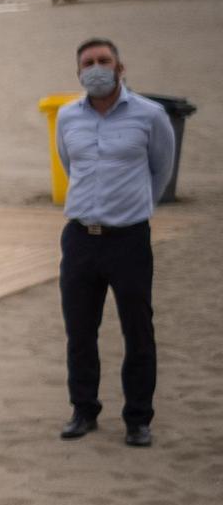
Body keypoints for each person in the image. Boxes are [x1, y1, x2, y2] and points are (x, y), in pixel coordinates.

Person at [55, 39, 177, 448]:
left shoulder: (150, 115)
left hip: (128, 239)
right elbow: (69, 165)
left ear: (120, 66)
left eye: (103, 61)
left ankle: (138, 418)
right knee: (80, 330)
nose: (96, 68)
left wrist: (133, 209)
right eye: (87, 63)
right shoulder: (67, 117)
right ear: (78, 73)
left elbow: (161, 171)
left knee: (138, 330)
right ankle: (83, 410)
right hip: (80, 239)